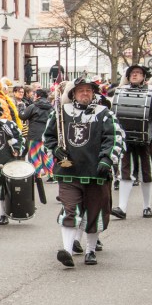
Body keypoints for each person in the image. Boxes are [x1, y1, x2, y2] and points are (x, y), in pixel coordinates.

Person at [44, 79, 124, 267]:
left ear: (94, 94)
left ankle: (90, 250)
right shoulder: (60, 113)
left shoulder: (104, 114)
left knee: (94, 212)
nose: (85, 93)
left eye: (88, 90)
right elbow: (48, 137)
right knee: (69, 210)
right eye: (81, 91)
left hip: (95, 172)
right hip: (68, 171)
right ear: (73, 94)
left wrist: (107, 159)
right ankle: (67, 249)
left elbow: (114, 137)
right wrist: (55, 150)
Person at [110, 64, 152, 219]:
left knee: (146, 173)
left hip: (146, 139)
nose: (135, 75)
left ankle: (147, 206)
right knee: (125, 172)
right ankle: (122, 208)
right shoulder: (120, 92)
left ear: (144, 76)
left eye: (138, 73)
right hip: (126, 140)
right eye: (132, 73)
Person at [20, 88, 54, 181]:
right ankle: (51, 175)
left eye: (35, 95)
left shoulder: (33, 106)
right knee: (44, 155)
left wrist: (21, 108)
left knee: (35, 155)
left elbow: (23, 116)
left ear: (38, 96)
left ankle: (37, 175)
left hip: (34, 133)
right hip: (46, 133)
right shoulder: (51, 107)